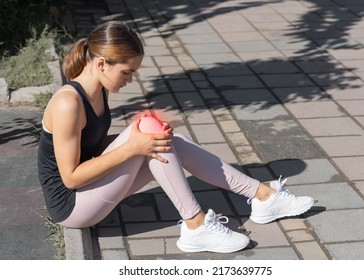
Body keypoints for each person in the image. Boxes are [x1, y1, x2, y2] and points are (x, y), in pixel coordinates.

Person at [38, 21, 314, 254]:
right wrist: (132, 146)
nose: (130, 80)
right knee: (149, 135)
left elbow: (92, 146)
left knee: (160, 136)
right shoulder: (68, 103)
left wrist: (136, 138)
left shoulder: (99, 91)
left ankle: (262, 196)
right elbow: (71, 177)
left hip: (91, 191)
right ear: (101, 63)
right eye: (126, 72)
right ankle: (195, 225)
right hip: (72, 207)